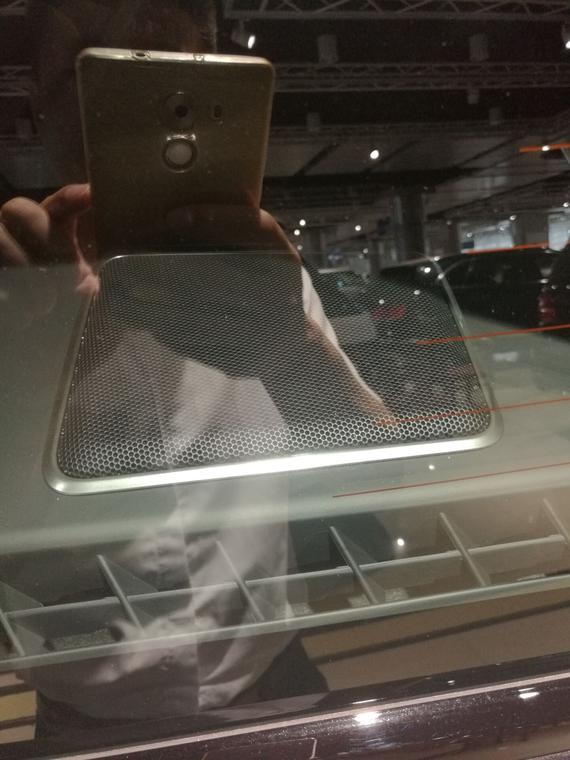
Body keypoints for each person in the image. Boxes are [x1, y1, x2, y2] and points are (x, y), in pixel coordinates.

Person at [0, 0, 392, 748]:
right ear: (40, 108)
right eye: (82, 72)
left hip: (271, 682)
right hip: (83, 717)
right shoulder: (10, 292)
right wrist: (16, 363)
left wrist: (287, 348)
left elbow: (374, 471)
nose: (112, 97)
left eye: (152, 57)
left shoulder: (261, 271)